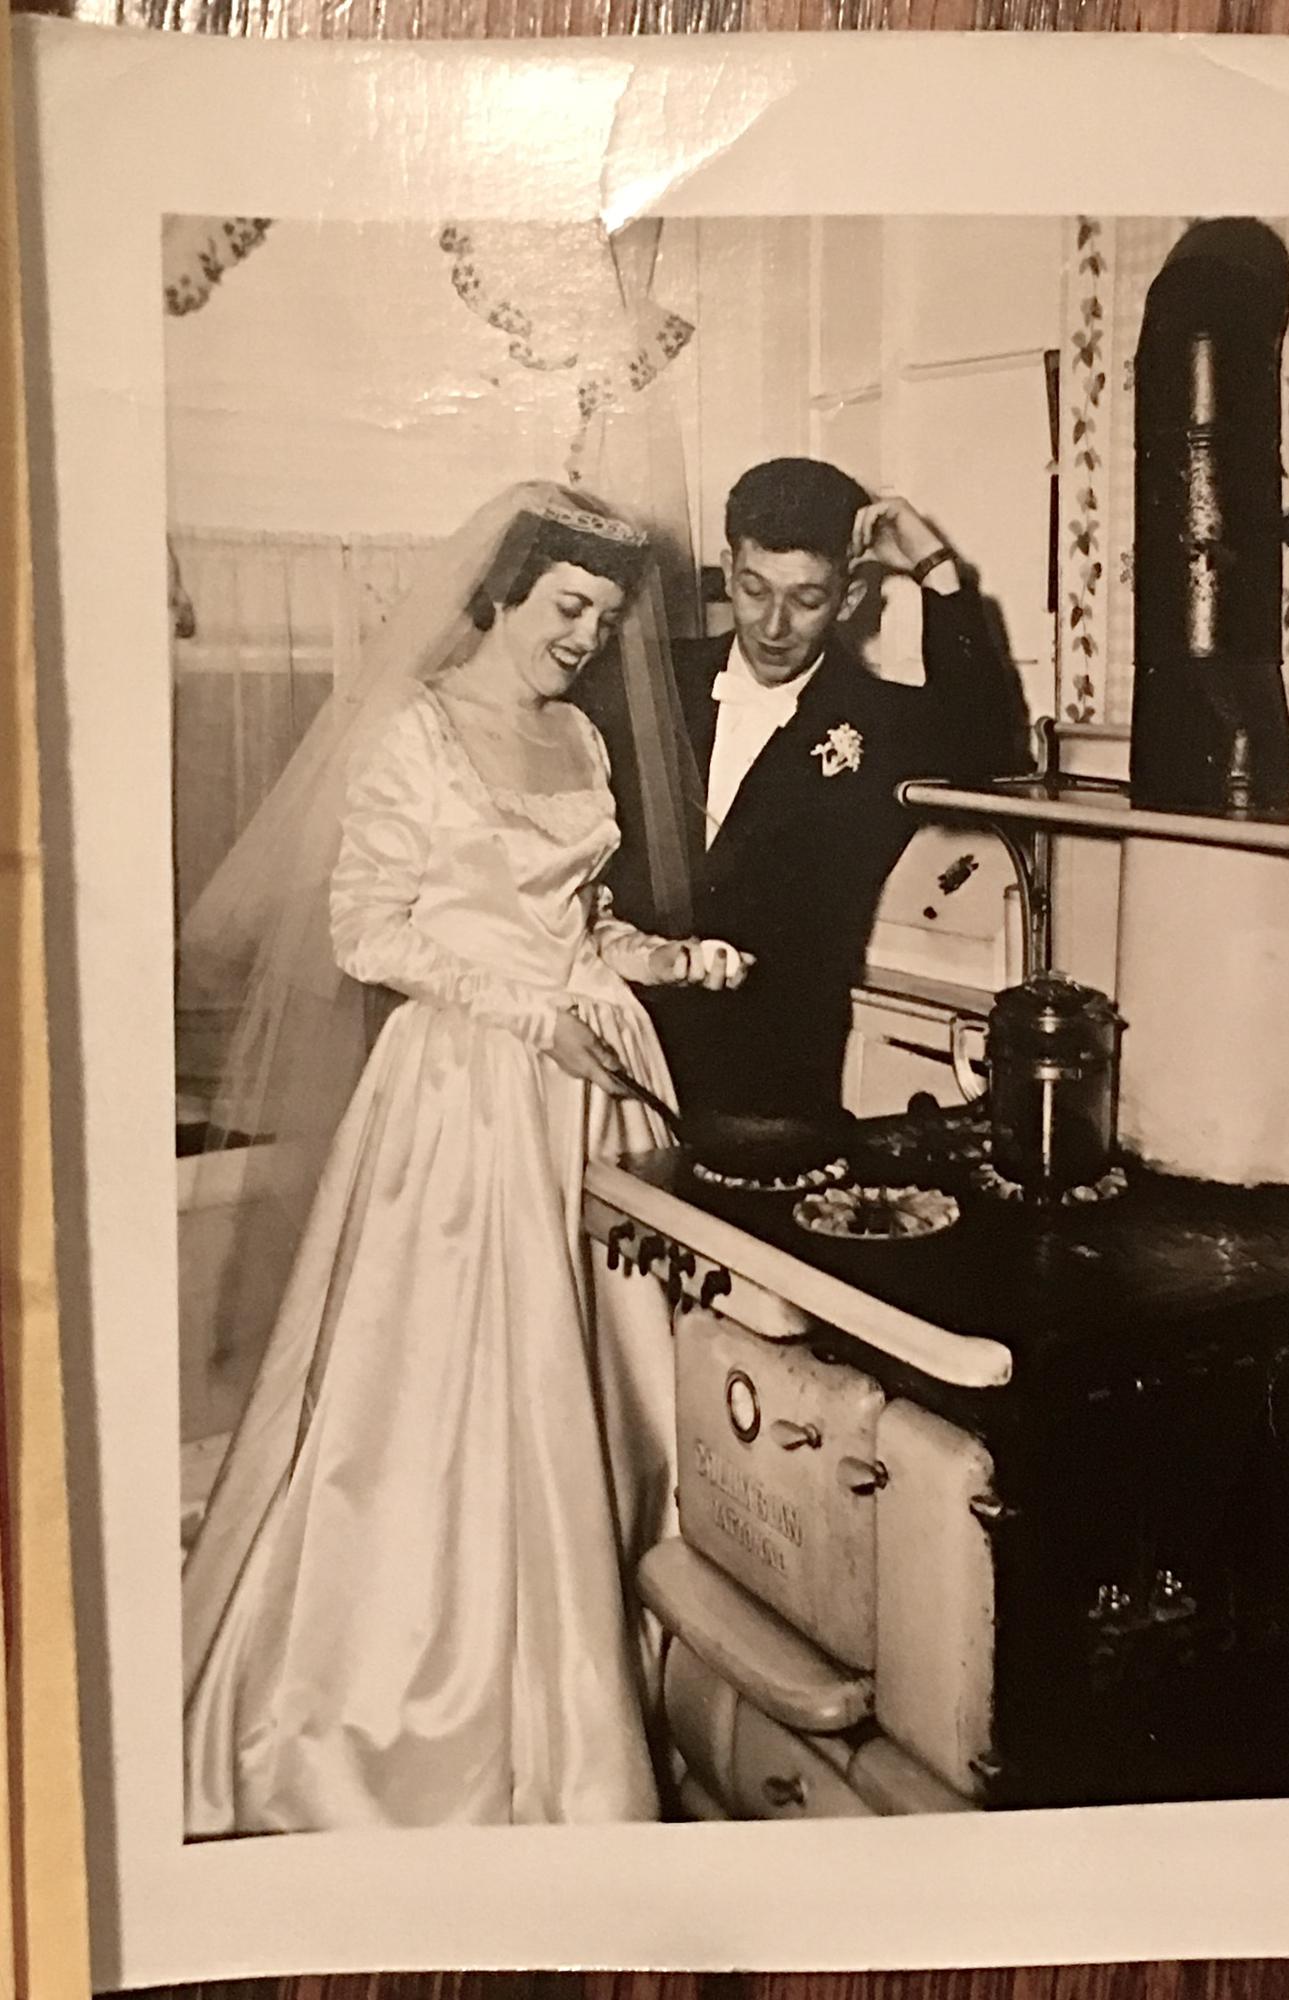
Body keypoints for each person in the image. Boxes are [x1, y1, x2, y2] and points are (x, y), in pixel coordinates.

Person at [181, 482, 747, 1835]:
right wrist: (534, 1019)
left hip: (596, 1085)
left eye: (603, 620)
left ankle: (615, 1671)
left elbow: (574, 921)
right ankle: (430, 1706)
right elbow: (368, 930)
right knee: (454, 1402)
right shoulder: (415, 733)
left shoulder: (579, 736)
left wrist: (669, 962)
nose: (584, 639)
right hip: (465, 1098)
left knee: (608, 1387)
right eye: (568, 609)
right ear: (501, 593)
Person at [574, 456, 1014, 1124]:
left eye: (807, 600)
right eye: (755, 590)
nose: (774, 626)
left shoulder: (882, 723)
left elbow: (989, 751)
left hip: (771, 1093)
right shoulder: (646, 682)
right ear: (729, 572)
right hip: (614, 1060)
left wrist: (936, 568)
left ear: (850, 598)